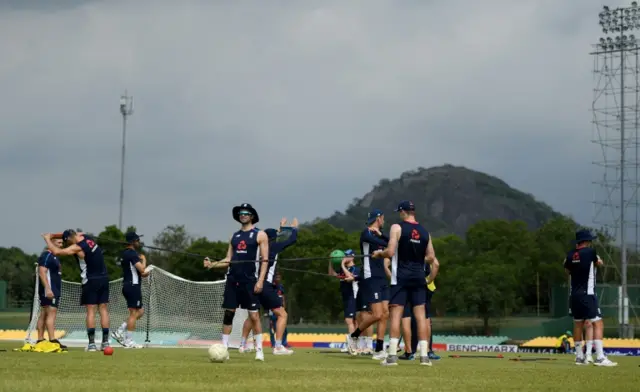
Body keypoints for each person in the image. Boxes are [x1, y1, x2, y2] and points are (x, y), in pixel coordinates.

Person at [371, 200, 439, 367]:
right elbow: (431, 257)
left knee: (396, 314)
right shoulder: (425, 231)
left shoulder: (397, 227)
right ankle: (424, 357)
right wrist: (418, 261)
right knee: (421, 316)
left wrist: (379, 254)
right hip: (418, 277)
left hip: (400, 277)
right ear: (413, 212)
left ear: (402, 212)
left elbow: (391, 251)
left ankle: (392, 356)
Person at [204, 203, 269, 361]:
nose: (243, 214)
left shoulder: (260, 235)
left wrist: (260, 281)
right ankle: (224, 351)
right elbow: (228, 260)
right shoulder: (234, 236)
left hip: (250, 281)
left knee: (254, 316)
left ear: (252, 216)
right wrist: (212, 265)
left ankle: (259, 350)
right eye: (241, 212)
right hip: (233, 280)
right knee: (228, 315)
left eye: (246, 212)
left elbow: (265, 261)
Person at [42, 230, 111, 352]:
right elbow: (74, 232)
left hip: (90, 280)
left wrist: (48, 239)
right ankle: (105, 343)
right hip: (104, 278)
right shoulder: (86, 238)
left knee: (91, 311)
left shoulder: (78, 247)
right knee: (103, 309)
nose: (66, 243)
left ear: (69, 239)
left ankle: (91, 344)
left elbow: (57, 251)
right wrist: (53, 235)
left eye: (66, 241)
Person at [239, 218, 298, 355]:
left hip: (253, 283)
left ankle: (242, 345)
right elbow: (291, 240)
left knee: (253, 315)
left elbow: (272, 235)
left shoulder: (256, 247)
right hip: (265, 285)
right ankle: (278, 346)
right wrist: (294, 228)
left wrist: (281, 228)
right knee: (282, 314)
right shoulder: (274, 247)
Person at [563, 229, 616, 366]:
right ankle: (600, 357)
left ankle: (579, 357)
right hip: (588, 293)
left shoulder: (569, 255)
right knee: (598, 323)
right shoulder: (591, 253)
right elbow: (600, 263)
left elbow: (567, 271)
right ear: (587, 241)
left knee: (578, 324)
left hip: (574, 295)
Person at [346, 209, 390, 360]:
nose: (384, 220)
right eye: (383, 218)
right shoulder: (366, 233)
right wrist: (383, 238)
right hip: (370, 277)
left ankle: (379, 349)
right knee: (377, 314)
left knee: (385, 314)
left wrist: (382, 235)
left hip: (382, 277)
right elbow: (390, 244)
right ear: (379, 218)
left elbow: (390, 243)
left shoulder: (377, 234)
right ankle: (354, 336)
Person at [111, 231, 150, 349]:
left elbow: (141, 274)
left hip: (130, 285)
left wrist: (146, 271)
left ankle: (120, 331)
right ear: (133, 242)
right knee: (133, 314)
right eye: (137, 240)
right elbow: (142, 269)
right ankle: (129, 341)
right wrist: (143, 259)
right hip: (132, 286)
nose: (139, 242)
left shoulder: (126, 254)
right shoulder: (132, 254)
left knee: (140, 311)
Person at [33, 237, 66, 353]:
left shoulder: (54, 256)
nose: (61, 245)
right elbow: (42, 271)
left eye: (62, 243)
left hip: (53, 289)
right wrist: (48, 288)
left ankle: (40, 339)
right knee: (51, 313)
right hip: (50, 290)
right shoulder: (47, 255)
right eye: (59, 243)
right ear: (51, 243)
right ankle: (52, 340)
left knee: (44, 313)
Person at [328, 249, 358, 346]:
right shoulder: (342, 269)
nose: (344, 258)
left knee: (349, 320)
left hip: (352, 296)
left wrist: (342, 265)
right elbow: (331, 274)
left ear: (352, 257)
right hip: (345, 296)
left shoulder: (355, 269)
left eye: (346, 256)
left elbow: (349, 277)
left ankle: (352, 344)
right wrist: (331, 261)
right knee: (352, 321)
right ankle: (354, 344)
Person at [269, 273, 289, 349]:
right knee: (272, 329)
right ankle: (273, 344)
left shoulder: (281, 286)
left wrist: (284, 306)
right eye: (276, 277)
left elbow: (283, 297)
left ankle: (284, 343)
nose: (278, 278)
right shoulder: (271, 286)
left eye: (279, 277)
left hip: (280, 309)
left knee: (284, 329)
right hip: (273, 310)